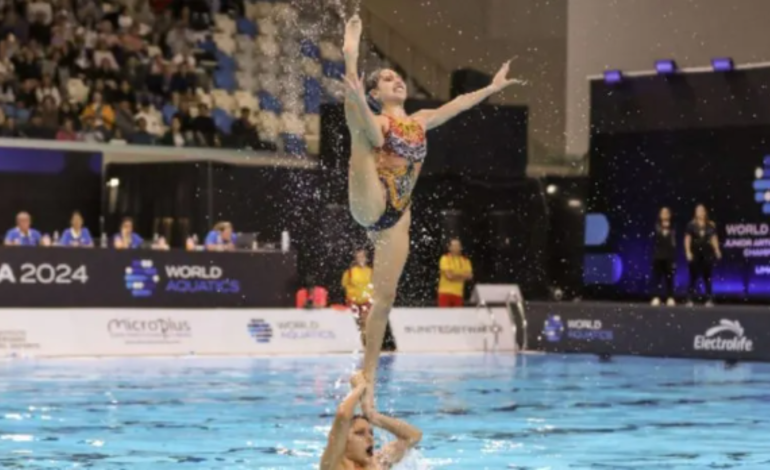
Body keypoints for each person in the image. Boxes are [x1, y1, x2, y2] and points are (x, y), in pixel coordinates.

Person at [341, 14, 520, 403]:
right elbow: (373, 133)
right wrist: (355, 92)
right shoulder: (375, 117)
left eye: (398, 76)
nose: (397, 80)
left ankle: (367, 377)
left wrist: (492, 87)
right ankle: (349, 58)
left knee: (385, 299)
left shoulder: (421, 121)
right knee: (363, 132)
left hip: (396, 216)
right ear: (377, 93)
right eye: (387, 78)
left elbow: (456, 105)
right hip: (368, 198)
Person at [320, 372, 422, 470]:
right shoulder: (333, 465)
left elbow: (413, 436)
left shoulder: (378, 464)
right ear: (343, 442)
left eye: (371, 433)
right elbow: (343, 414)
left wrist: (374, 416)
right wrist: (359, 387)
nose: (370, 438)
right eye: (359, 433)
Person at [685, 204, 722, 307]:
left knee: (707, 277)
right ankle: (689, 299)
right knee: (693, 277)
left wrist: (717, 250)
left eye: (702, 211)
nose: (700, 213)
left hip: (707, 254)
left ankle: (709, 299)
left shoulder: (710, 225)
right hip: (695, 253)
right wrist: (688, 251)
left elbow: (713, 238)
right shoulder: (691, 225)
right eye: (698, 211)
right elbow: (688, 239)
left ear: (705, 212)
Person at [342, 248, 374, 343]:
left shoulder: (371, 272)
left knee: (366, 323)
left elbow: (375, 286)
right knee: (355, 324)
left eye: (362, 256)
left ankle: (366, 343)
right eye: (358, 257)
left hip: (366, 301)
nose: (361, 259)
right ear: (355, 259)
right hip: (353, 301)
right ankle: (355, 343)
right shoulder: (350, 272)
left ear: (366, 258)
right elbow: (344, 285)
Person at [651, 207, 676, 306]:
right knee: (657, 278)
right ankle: (656, 297)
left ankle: (670, 297)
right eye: (663, 212)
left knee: (669, 278)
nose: (665, 214)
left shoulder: (673, 227)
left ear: (669, 215)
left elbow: (674, 242)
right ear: (660, 215)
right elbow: (655, 239)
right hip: (658, 256)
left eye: (667, 212)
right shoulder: (656, 226)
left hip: (669, 256)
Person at [438, 238, 473, 307]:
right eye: (454, 245)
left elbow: (470, 276)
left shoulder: (465, 260)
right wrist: (462, 277)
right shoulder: (445, 258)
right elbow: (449, 276)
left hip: (458, 293)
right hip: (445, 292)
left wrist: (454, 275)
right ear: (449, 247)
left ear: (461, 247)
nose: (456, 247)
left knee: (457, 316)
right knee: (444, 316)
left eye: (458, 245)